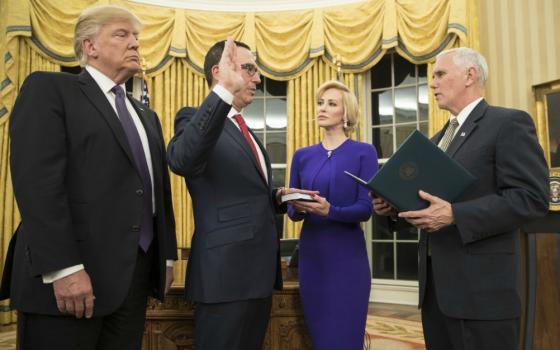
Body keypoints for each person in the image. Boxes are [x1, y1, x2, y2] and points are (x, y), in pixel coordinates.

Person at [1, 5, 177, 349]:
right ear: (89, 46)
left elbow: (157, 193)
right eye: (122, 34)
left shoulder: (146, 115)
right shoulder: (50, 89)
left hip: (133, 281)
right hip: (68, 281)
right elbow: (38, 186)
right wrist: (64, 268)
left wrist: (165, 256)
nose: (135, 44)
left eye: (137, 37)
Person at [374, 47, 549, 350]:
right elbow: (428, 205)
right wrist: (393, 207)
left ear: (470, 75)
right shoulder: (437, 139)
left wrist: (456, 214)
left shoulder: (508, 123)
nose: (433, 83)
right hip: (436, 296)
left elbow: (531, 198)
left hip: (482, 295)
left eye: (440, 74)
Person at [166, 39, 289, 350]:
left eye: (257, 71)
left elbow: (243, 191)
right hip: (224, 274)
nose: (258, 78)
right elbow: (183, 160)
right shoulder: (193, 118)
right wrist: (222, 92)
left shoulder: (247, 131)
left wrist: (278, 197)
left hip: (259, 273)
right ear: (219, 72)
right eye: (249, 69)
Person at [287, 80, 378, 349]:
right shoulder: (302, 155)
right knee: (320, 339)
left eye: (331, 103)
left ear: (346, 113)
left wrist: (331, 211)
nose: (322, 108)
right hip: (312, 259)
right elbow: (292, 213)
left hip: (347, 260)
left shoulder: (364, 152)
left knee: (345, 339)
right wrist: (293, 203)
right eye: (320, 103)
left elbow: (366, 209)